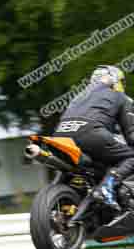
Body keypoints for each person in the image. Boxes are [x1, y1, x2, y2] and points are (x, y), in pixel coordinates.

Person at [54, 65, 134, 212]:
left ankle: (60, 193)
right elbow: (131, 135)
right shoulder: (119, 97)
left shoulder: (78, 97)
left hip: (60, 136)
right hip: (90, 134)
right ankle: (106, 188)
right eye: (121, 81)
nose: (121, 85)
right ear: (113, 80)